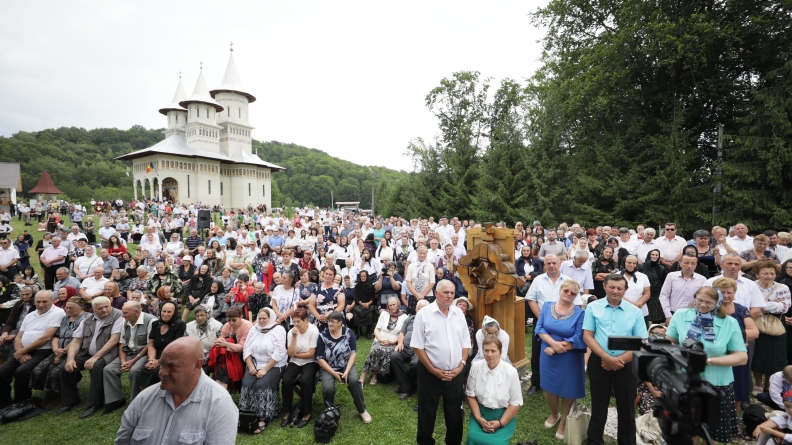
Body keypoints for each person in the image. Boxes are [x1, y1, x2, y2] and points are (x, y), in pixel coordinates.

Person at [115, 337, 238, 445]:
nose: (162, 372)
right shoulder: (144, 398)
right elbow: (122, 441)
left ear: (197, 365)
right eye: (162, 365)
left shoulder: (219, 404)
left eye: (172, 366)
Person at [666, 286, 748, 443]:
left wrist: (707, 361)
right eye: (700, 300)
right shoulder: (681, 315)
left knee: (711, 431)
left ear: (718, 303)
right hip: (686, 380)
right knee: (689, 428)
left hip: (717, 384)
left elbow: (741, 357)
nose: (703, 305)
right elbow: (671, 340)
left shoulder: (729, 322)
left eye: (709, 303)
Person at [583, 274, 648, 445]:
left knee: (626, 407)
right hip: (600, 362)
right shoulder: (593, 307)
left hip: (626, 364)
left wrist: (618, 360)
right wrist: (606, 358)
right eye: (612, 287)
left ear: (625, 290)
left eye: (620, 288)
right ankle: (594, 441)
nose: (615, 291)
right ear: (604, 286)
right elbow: (588, 336)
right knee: (599, 404)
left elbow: (641, 342)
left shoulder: (635, 312)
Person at [412, 279, 471, 445]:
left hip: (455, 374)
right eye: (446, 292)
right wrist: (432, 369)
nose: (450, 296)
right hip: (430, 374)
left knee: (455, 414)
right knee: (427, 413)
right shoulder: (423, 314)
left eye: (452, 293)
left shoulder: (458, 314)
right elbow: (417, 346)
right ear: (436, 293)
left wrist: (461, 365)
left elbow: (466, 342)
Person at [535, 279, 586, 439]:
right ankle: (554, 414)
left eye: (573, 293)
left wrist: (558, 347)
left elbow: (579, 337)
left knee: (568, 389)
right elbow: (539, 328)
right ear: (560, 290)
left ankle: (564, 421)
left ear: (576, 296)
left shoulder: (580, 313)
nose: (569, 294)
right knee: (549, 387)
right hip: (548, 354)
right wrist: (553, 344)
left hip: (569, 357)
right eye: (566, 291)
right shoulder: (547, 306)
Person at [525, 254, 582, 396]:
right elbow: (531, 299)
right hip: (542, 321)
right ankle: (536, 382)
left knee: (563, 351)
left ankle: (560, 381)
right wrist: (543, 318)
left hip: (565, 323)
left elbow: (577, 304)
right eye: (548, 263)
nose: (551, 265)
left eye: (554, 263)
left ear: (559, 264)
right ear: (544, 265)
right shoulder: (538, 280)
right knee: (537, 353)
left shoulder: (568, 281)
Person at [59, 296, 123, 418]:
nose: (104, 310)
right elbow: (76, 341)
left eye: (107, 307)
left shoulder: (118, 316)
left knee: (97, 367)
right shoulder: (87, 320)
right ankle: (70, 400)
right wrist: (70, 359)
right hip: (87, 353)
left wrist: (96, 357)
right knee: (65, 368)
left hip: (109, 352)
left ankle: (94, 404)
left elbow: (114, 340)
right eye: (100, 308)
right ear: (93, 309)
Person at [0, 290, 66, 408]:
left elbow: (46, 338)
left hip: (43, 350)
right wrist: (20, 352)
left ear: (52, 301)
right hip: (23, 350)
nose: (41, 304)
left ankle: (21, 402)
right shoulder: (30, 315)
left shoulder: (58, 312)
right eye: (38, 302)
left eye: (44, 301)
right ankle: (4, 401)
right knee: (2, 372)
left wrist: (22, 351)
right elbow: (19, 337)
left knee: (21, 372)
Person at [712, 277, 758, 417]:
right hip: (718, 354)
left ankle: (734, 418)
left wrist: (735, 340)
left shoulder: (742, 310)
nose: (726, 295)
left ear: (734, 293)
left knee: (739, 384)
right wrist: (737, 339)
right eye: (722, 292)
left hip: (738, 354)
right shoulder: (710, 309)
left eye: (729, 292)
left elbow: (754, 332)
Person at [464, 337, 523, 445]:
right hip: (480, 412)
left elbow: (515, 403)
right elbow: (470, 395)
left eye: (493, 351)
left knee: (496, 443)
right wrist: (478, 418)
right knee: (473, 437)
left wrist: (500, 423)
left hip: (503, 415)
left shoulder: (511, 372)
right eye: (486, 350)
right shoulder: (476, 367)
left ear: (500, 352)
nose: (489, 354)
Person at [316, 310, 372, 423]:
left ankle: (362, 410)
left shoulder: (348, 332)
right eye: (328, 321)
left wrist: (346, 371)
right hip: (329, 366)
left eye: (332, 322)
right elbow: (320, 358)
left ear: (340, 323)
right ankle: (330, 411)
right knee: (328, 389)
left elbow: (353, 353)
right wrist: (333, 373)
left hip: (346, 364)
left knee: (354, 381)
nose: (329, 324)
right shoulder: (322, 336)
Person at [102, 300, 156, 415]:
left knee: (135, 371)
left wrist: (133, 361)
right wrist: (123, 361)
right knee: (109, 370)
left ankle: (135, 402)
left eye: (125, 313)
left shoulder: (151, 321)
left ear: (136, 312)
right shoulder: (125, 322)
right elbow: (122, 344)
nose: (122, 315)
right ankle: (116, 400)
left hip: (144, 354)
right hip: (128, 353)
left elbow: (149, 345)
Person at [30, 295, 90, 397]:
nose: (67, 310)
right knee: (38, 369)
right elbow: (56, 336)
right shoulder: (65, 318)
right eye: (67, 307)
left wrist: (62, 353)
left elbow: (79, 339)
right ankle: (50, 394)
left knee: (58, 372)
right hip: (58, 350)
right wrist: (55, 349)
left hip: (76, 351)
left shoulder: (87, 318)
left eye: (71, 308)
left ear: (81, 307)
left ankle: (65, 395)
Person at [240, 307, 287, 434]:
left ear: (270, 318)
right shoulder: (254, 329)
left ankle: (264, 416)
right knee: (247, 383)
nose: (261, 321)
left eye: (264, 318)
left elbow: (279, 353)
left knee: (262, 384)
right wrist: (250, 366)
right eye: (259, 318)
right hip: (255, 363)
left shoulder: (278, 329)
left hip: (274, 364)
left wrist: (265, 369)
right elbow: (246, 348)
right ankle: (247, 414)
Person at [752, 260, 791, 394]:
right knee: (757, 355)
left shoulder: (782, 288)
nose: (769, 276)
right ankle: (758, 383)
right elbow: (747, 304)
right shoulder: (751, 286)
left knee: (774, 356)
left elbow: (784, 308)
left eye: (772, 273)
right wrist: (773, 304)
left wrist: (760, 306)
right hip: (755, 323)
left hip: (776, 325)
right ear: (757, 274)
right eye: (765, 273)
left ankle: (768, 384)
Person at [280, 307, 320, 428]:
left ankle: (307, 413)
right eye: (294, 321)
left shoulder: (313, 330)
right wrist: (294, 337)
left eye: (299, 321)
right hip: (295, 361)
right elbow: (290, 354)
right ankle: (286, 411)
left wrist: (295, 354)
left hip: (310, 362)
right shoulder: (291, 332)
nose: (296, 324)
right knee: (286, 381)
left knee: (305, 381)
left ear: (306, 320)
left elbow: (311, 354)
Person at [138, 301, 186, 390]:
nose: (165, 314)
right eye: (164, 311)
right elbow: (151, 345)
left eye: (169, 312)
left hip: (172, 357)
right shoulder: (156, 324)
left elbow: (176, 348)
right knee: (144, 371)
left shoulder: (180, 325)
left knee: (157, 373)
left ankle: (159, 396)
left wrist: (159, 362)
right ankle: (145, 396)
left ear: (174, 312)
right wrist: (151, 359)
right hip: (156, 355)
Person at [361, 296, 407, 386]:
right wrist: (380, 340)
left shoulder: (405, 317)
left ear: (398, 305)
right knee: (375, 350)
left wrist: (392, 342)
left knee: (385, 351)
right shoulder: (384, 314)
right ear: (387, 306)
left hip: (393, 342)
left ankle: (375, 374)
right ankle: (362, 377)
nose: (392, 307)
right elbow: (376, 329)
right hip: (380, 339)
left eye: (394, 304)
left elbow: (403, 334)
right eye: (390, 305)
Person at [659, 254, 708, 325]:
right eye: (686, 263)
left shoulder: (702, 279)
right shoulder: (671, 276)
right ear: (680, 263)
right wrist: (668, 315)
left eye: (693, 263)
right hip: (674, 314)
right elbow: (664, 296)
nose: (689, 266)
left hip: (694, 315)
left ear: (696, 265)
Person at [212, 306, 251, 390]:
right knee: (222, 364)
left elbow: (242, 347)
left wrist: (226, 344)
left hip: (244, 355)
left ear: (241, 317)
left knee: (224, 367)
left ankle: (220, 389)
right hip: (229, 355)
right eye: (229, 320)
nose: (231, 323)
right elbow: (221, 338)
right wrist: (218, 342)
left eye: (234, 320)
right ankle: (220, 387)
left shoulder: (247, 326)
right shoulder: (226, 325)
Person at [185, 306, 223, 375]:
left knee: (200, 374)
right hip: (192, 356)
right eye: (197, 316)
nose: (199, 318)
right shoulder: (189, 326)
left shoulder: (218, 326)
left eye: (202, 315)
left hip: (210, 357)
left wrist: (205, 359)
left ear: (208, 314)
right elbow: (185, 343)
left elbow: (218, 345)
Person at [638, 249, 668, 324]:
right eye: (653, 254)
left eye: (656, 255)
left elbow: (664, 282)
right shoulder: (641, 266)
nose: (654, 256)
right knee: (643, 317)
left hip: (656, 296)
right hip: (643, 294)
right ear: (649, 255)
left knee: (656, 319)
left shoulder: (661, 268)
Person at [405, 246, 436, 314]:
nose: (422, 255)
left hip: (427, 295)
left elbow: (432, 282)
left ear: (426, 254)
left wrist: (422, 295)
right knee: (413, 316)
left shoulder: (430, 266)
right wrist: (417, 295)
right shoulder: (411, 266)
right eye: (420, 253)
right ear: (417, 254)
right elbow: (408, 282)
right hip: (413, 296)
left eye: (424, 253)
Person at [349, 270, 378, 338]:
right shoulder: (357, 286)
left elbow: (373, 297)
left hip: (369, 305)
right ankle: (356, 333)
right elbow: (356, 297)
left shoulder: (371, 285)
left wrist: (368, 303)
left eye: (364, 276)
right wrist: (362, 304)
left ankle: (368, 332)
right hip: (359, 305)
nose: (363, 278)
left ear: (367, 276)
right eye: (361, 276)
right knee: (355, 316)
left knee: (370, 315)